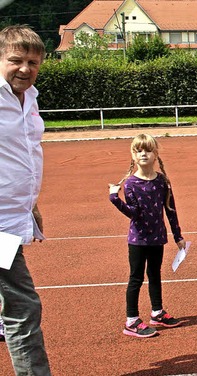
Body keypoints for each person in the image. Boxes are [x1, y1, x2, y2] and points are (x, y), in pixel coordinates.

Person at [0, 24, 52, 375]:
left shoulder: (29, 98)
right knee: (22, 307)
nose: (25, 68)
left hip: (14, 219)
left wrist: (31, 206)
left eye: (33, 61)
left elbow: (26, 155)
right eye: (16, 60)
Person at [109, 134, 186, 338]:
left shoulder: (162, 182)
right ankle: (131, 320)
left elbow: (170, 209)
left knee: (155, 275)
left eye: (148, 150)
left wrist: (178, 235)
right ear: (133, 156)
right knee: (136, 278)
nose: (144, 154)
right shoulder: (131, 184)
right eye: (138, 150)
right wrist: (114, 199)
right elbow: (133, 213)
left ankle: (157, 312)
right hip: (138, 240)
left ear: (155, 154)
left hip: (157, 238)